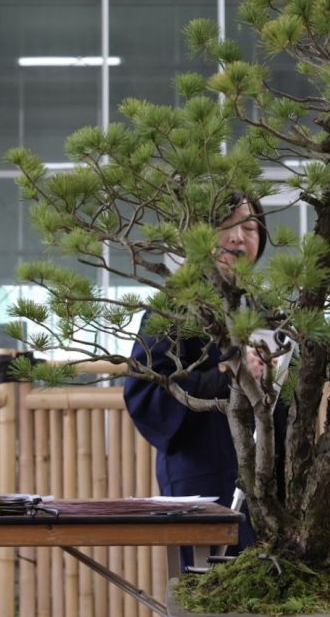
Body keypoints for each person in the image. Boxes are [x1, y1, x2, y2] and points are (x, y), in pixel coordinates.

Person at [123, 194, 286, 569]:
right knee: (211, 590)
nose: (238, 237)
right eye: (226, 226)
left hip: (267, 480)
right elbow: (147, 390)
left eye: (249, 228)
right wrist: (229, 372)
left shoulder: (266, 306)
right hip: (204, 474)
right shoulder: (176, 305)